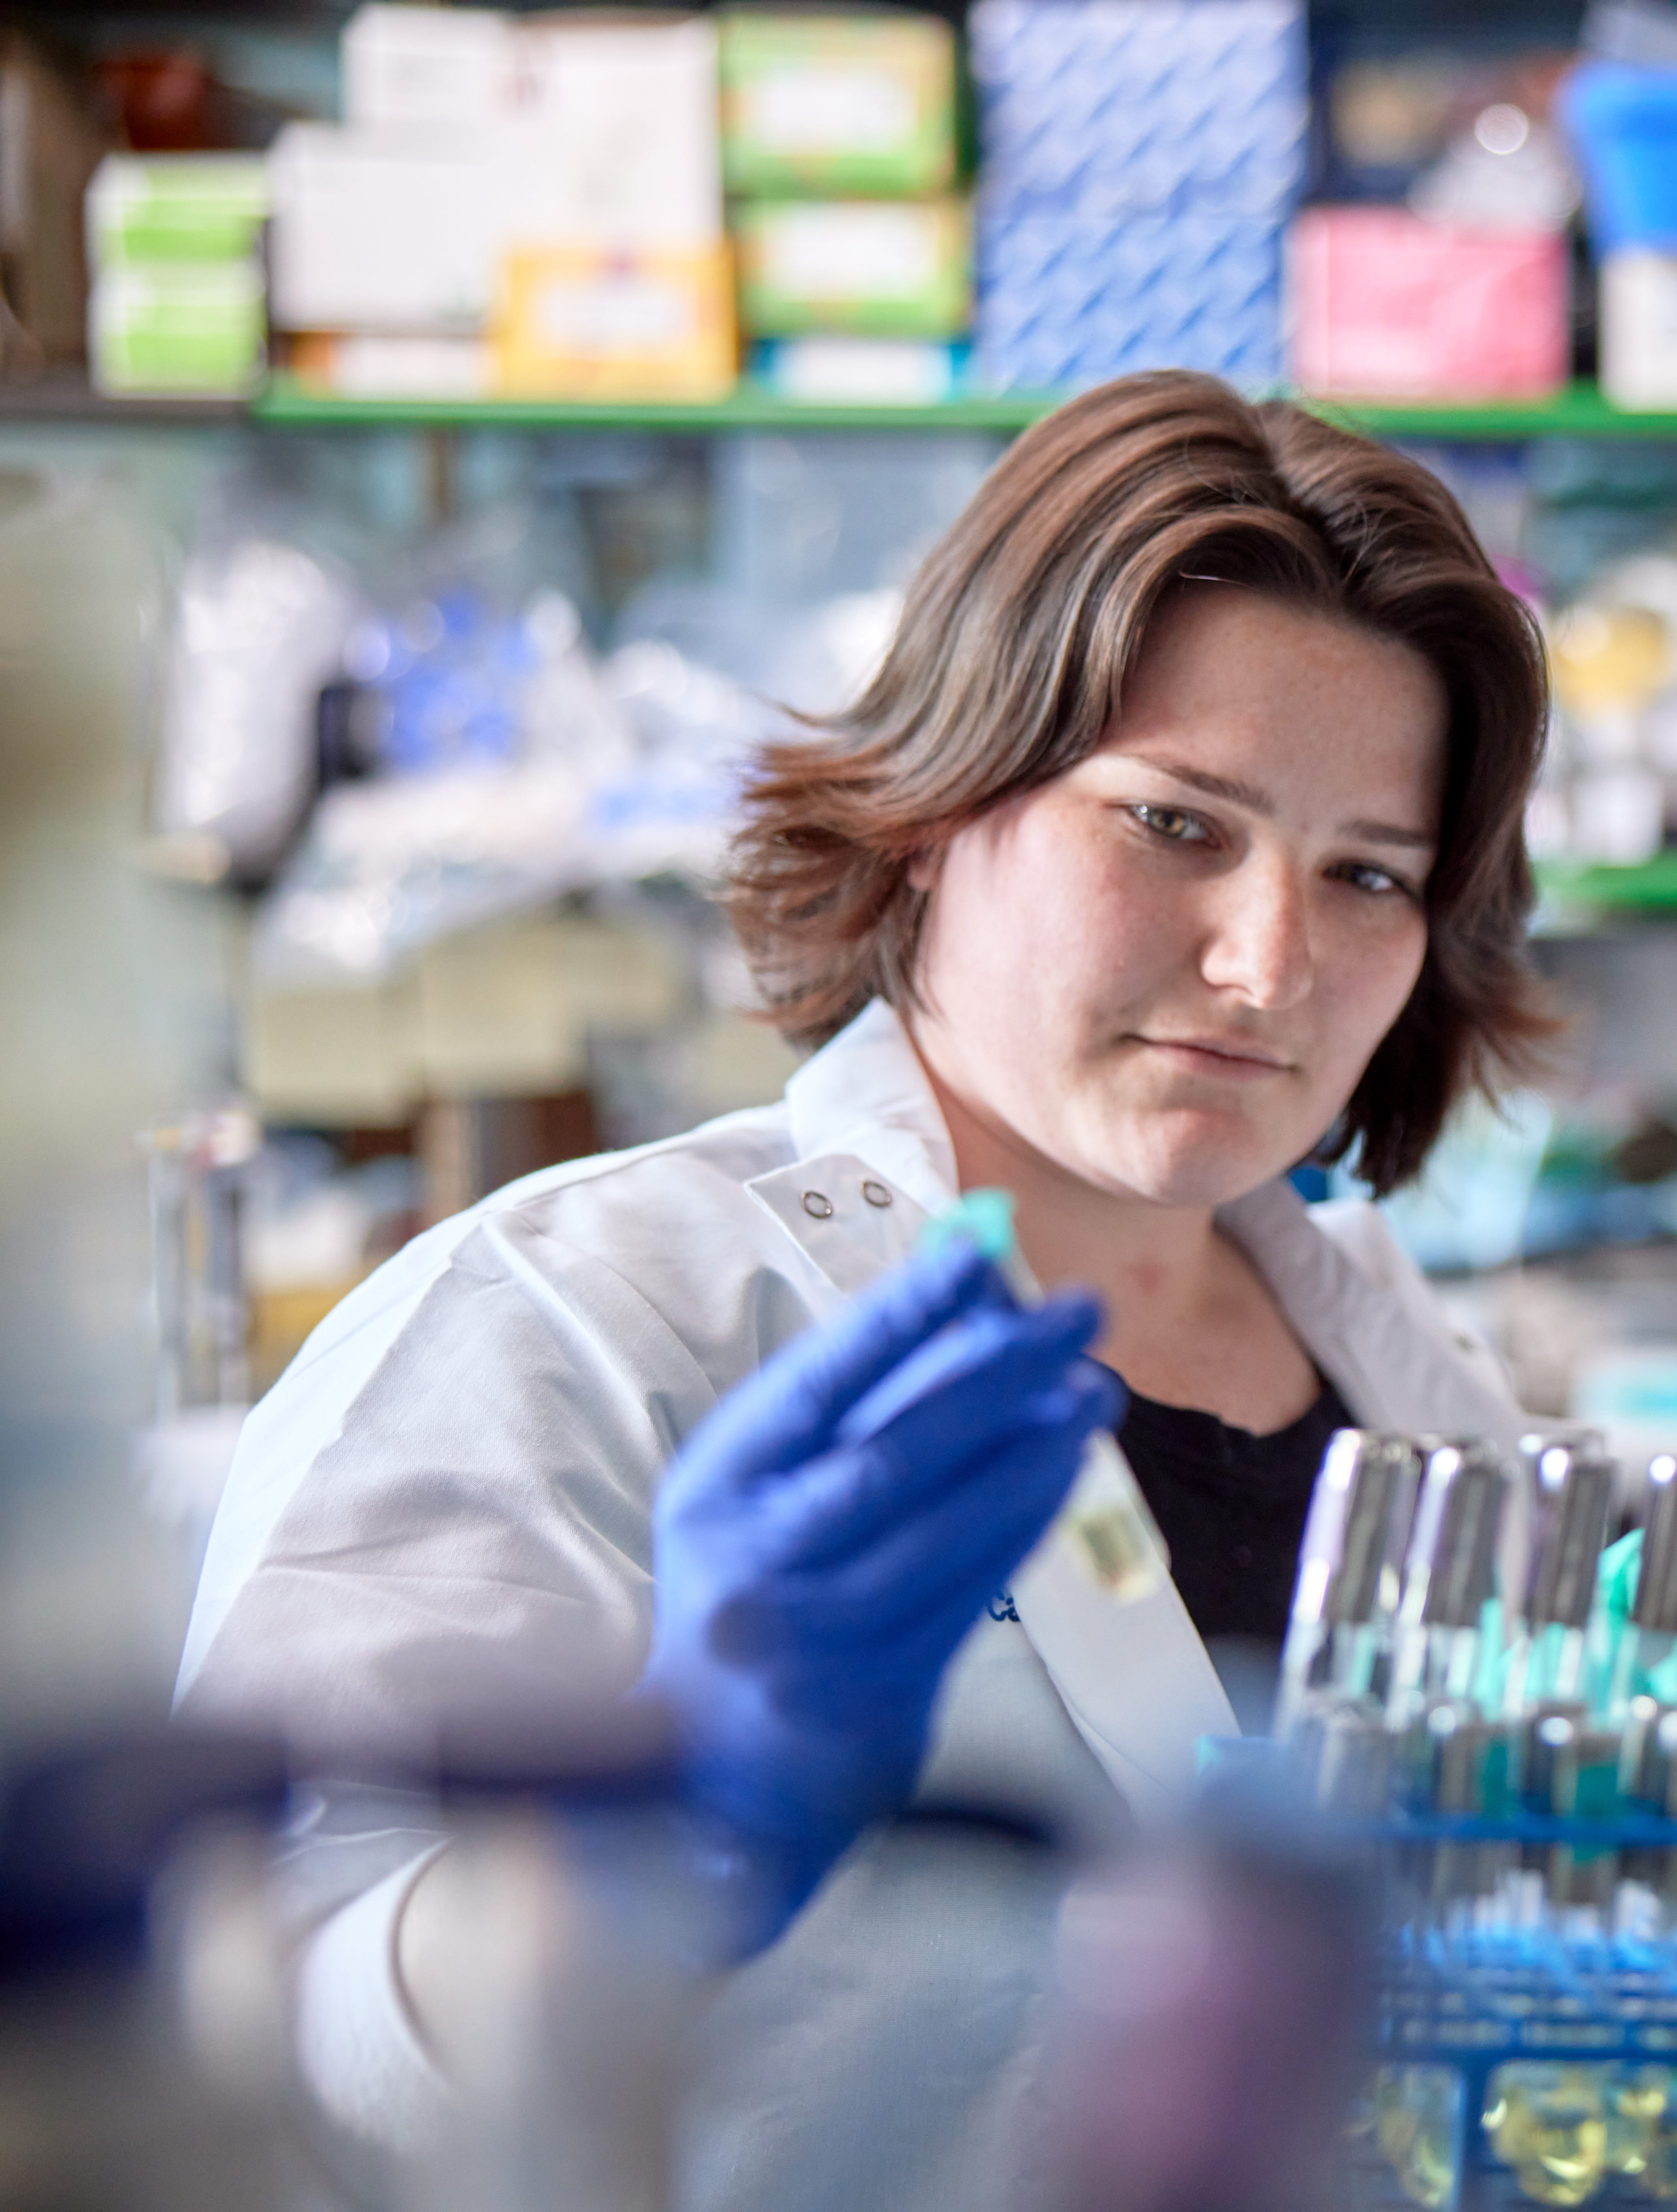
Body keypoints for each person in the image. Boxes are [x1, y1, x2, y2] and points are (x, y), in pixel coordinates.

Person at [177, 370, 1549, 2207]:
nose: (1268, 962)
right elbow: (246, 2049)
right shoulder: (574, 1320)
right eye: (1175, 823)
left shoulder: (1413, 1380)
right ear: (935, 807)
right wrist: (674, 1827)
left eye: (1367, 873)